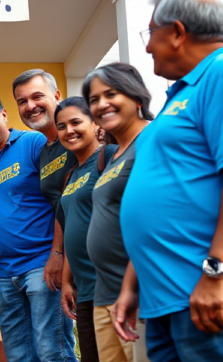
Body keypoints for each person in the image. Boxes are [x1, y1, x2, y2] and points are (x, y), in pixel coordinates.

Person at [114, 0, 223, 361]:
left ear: (178, 32)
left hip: (213, 294)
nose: (147, 46)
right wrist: (133, 283)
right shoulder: (180, 95)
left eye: (151, 34)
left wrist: (215, 271)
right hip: (166, 294)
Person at [0, 91, 77, 362]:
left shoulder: (34, 143)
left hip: (42, 265)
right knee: (18, 356)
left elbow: (61, 196)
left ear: (3, 115)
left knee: (53, 352)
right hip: (3, 273)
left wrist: (58, 255)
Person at [82, 63, 152, 362]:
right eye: (94, 99)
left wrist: (131, 287)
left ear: (136, 97)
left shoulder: (151, 141)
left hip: (139, 292)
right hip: (105, 293)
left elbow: (157, 221)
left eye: (111, 93)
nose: (101, 104)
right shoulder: (113, 155)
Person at [56, 97, 117, 362]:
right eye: (61, 126)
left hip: (113, 285)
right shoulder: (70, 175)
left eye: (76, 122)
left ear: (95, 124)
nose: (68, 130)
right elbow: (72, 228)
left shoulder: (111, 157)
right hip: (85, 289)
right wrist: (67, 281)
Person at [13, 69, 76, 292]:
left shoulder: (77, 138)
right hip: (74, 261)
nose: (30, 106)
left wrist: (58, 254)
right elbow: (58, 204)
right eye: (22, 101)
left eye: (37, 96)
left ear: (57, 96)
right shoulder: (43, 151)